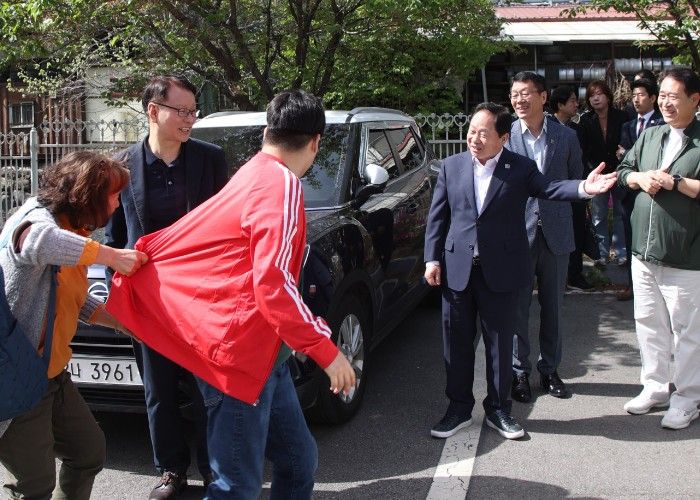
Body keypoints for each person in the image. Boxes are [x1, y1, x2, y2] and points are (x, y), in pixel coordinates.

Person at [105, 90, 356, 498]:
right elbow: (274, 286)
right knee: (235, 486)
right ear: (315, 142)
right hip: (241, 358)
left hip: (264, 354)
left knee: (298, 461)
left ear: (268, 132)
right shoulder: (282, 186)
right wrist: (327, 351)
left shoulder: (253, 170)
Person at [424, 102, 616, 440]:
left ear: (503, 137)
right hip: (457, 270)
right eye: (471, 131)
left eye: (484, 133)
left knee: (500, 343)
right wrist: (432, 260)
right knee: (456, 343)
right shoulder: (452, 166)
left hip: (501, 269)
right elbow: (437, 217)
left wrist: (584, 188)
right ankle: (458, 409)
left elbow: (549, 189)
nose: (475, 139)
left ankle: (499, 410)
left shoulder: (520, 167)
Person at [103, 75, 228, 498]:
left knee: (209, 388)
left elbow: (225, 227)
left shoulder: (210, 159)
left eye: (193, 111)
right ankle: (171, 471)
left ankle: (216, 471)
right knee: (159, 391)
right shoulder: (121, 167)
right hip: (149, 301)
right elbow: (114, 239)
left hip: (201, 298)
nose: (190, 119)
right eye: (182, 111)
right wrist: (119, 297)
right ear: (153, 111)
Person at [0, 151, 147, 499]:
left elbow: (73, 299)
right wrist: (111, 256)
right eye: (113, 195)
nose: (118, 203)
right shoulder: (34, 219)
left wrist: (122, 324)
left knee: (87, 453)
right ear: (88, 195)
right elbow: (33, 241)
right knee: (35, 485)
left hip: (52, 376)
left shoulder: (73, 229)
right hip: (16, 378)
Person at [617, 68, 700, 430]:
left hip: (686, 255)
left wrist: (676, 182)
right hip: (643, 251)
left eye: (673, 96)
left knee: (688, 332)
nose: (665, 102)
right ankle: (655, 387)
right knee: (649, 323)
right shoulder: (651, 134)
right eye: (662, 95)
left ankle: (688, 398)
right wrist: (639, 177)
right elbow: (624, 170)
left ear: (694, 100)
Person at [507, 72, 584, 404]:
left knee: (553, 307)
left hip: (556, 232)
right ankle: (518, 371)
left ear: (543, 97)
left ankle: (550, 369)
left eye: (526, 93)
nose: (519, 100)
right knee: (517, 308)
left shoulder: (566, 137)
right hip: (515, 234)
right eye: (514, 94)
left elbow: (575, 180)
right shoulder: (504, 135)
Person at [615, 78, 663, 302]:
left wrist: (629, 156)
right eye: (634, 95)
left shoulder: (661, 124)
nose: (636, 99)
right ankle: (633, 284)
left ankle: (656, 286)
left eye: (641, 95)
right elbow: (622, 157)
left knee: (653, 239)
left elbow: (650, 157)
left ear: (653, 98)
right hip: (629, 193)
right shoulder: (627, 125)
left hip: (653, 191)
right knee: (630, 239)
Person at [578, 80, 629, 267]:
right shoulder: (585, 120)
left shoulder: (621, 116)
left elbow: (626, 144)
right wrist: (590, 172)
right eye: (592, 95)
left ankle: (622, 253)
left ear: (607, 96)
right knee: (598, 216)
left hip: (619, 172)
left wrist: (621, 166)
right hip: (597, 175)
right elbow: (583, 150)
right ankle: (601, 254)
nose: (596, 98)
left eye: (599, 94)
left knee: (620, 215)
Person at [549, 85, 593, 292]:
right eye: (572, 100)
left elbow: (582, 160)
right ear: (560, 104)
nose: (577, 104)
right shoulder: (546, 128)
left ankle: (575, 274)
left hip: (575, 188)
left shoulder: (577, 129)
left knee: (577, 232)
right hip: (552, 191)